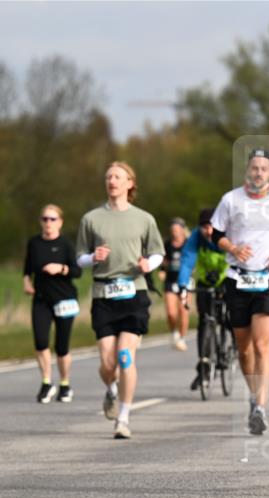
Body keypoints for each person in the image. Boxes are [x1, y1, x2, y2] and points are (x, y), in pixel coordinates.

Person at [211, 148, 269, 435]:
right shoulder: (231, 200)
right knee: (244, 348)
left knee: (261, 345)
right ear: (248, 170)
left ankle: (260, 406)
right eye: (254, 167)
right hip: (237, 278)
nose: (258, 172)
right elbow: (216, 234)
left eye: (264, 168)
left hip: (268, 278)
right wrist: (233, 248)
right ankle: (253, 394)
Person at [77, 162, 164, 439]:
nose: (112, 181)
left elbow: (157, 252)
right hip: (104, 295)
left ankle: (123, 418)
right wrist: (93, 258)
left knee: (125, 356)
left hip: (134, 292)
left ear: (130, 183)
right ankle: (111, 389)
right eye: (108, 177)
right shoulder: (91, 219)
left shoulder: (144, 219)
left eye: (117, 176)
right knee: (107, 363)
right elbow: (79, 257)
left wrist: (149, 264)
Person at [23, 204, 81, 403]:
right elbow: (27, 267)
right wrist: (26, 282)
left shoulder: (66, 244)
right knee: (40, 342)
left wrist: (61, 268)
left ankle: (65, 384)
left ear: (60, 222)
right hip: (41, 299)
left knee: (61, 347)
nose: (48, 223)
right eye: (45, 219)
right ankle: (46, 382)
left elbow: (77, 271)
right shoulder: (34, 243)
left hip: (64, 299)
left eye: (53, 219)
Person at [177, 209, 230, 392]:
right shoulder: (196, 238)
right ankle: (204, 364)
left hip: (225, 279)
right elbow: (187, 261)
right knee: (204, 321)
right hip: (205, 281)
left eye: (211, 227)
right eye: (204, 227)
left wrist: (223, 276)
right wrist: (183, 285)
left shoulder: (227, 234)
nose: (208, 231)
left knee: (228, 318)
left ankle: (230, 347)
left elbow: (233, 258)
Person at [161, 218, 189, 351]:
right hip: (170, 281)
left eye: (177, 230)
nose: (175, 232)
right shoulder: (167, 244)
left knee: (183, 311)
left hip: (185, 281)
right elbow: (163, 260)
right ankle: (174, 332)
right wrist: (162, 270)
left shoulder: (188, 243)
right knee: (171, 312)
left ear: (183, 230)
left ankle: (182, 338)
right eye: (173, 230)